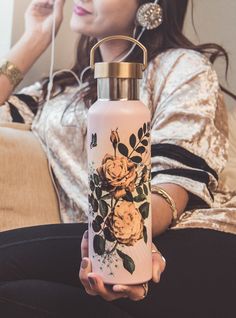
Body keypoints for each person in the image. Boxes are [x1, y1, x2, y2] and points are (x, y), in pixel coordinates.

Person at [0, 0, 235, 317]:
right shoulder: (58, 90)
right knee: (17, 297)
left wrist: (131, 242)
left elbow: (176, 180)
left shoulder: (182, 66)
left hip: (197, 241)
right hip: (103, 250)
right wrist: (35, 38)